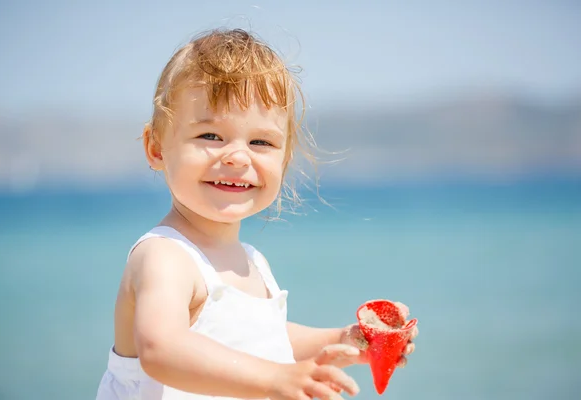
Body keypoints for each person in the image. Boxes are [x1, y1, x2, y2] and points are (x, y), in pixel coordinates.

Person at [95, 28, 417, 400]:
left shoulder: (252, 261)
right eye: (210, 136)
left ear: (284, 158)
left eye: (260, 142)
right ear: (156, 149)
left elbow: (262, 339)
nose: (236, 156)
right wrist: (275, 380)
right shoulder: (164, 256)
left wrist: (342, 340)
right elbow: (162, 351)